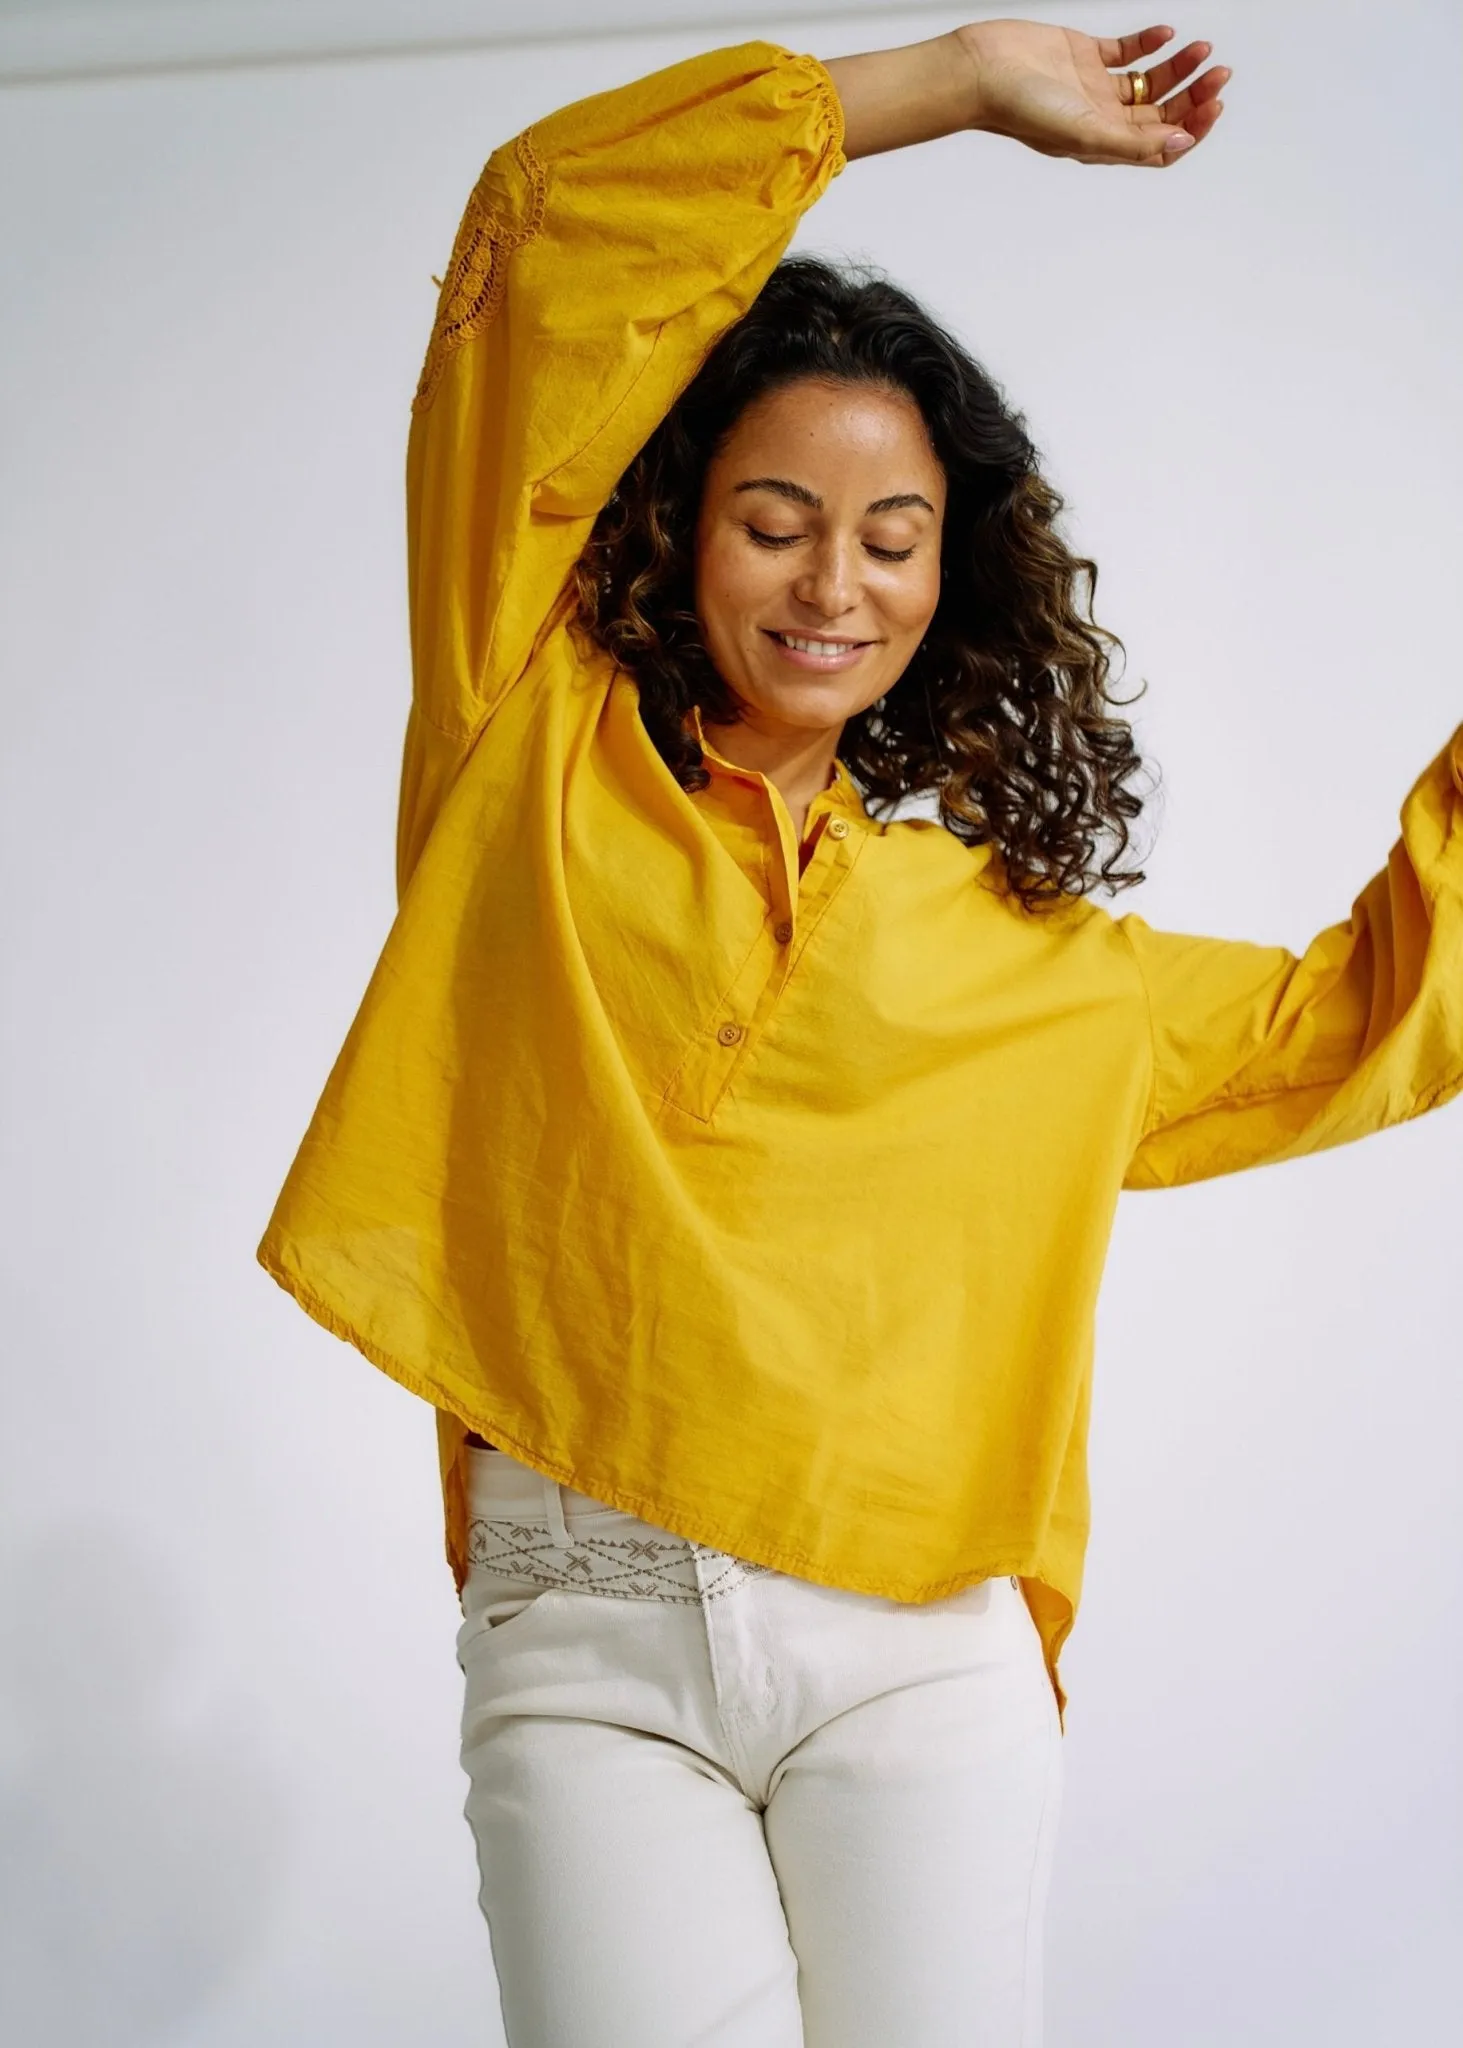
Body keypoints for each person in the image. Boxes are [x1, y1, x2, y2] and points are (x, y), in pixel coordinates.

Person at [257, 17, 1461, 2046]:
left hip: (917, 1655)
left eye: (889, 538)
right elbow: (540, 230)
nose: (832, 582)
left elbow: (1365, 1011)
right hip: (582, 1634)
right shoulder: (520, 755)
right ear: (664, 526)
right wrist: (958, 81)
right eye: (772, 519)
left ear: (949, 574)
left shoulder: (1021, 956)